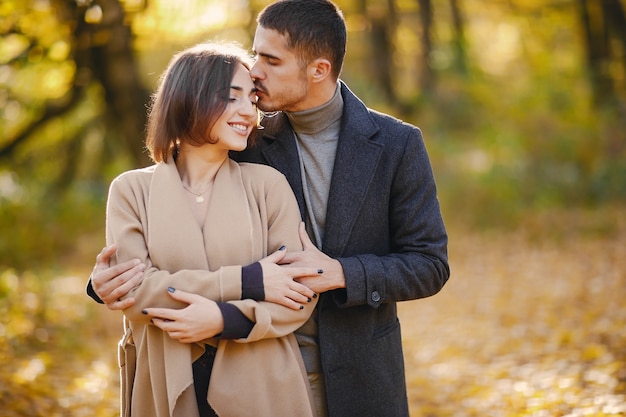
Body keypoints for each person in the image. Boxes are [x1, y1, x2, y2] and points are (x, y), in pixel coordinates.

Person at [88, 1, 450, 416]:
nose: (255, 69)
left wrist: (340, 273)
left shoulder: (396, 144)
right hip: (258, 366)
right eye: (255, 53)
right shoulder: (246, 142)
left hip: (360, 371)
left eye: (271, 60)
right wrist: (102, 284)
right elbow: (180, 214)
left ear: (318, 69)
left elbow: (429, 263)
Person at [98, 42, 321, 417]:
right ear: (188, 98)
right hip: (164, 379)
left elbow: (298, 293)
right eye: (231, 98)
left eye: (251, 99)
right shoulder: (131, 190)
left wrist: (224, 319)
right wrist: (250, 281)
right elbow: (135, 292)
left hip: (262, 384)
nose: (248, 112)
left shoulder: (268, 185)